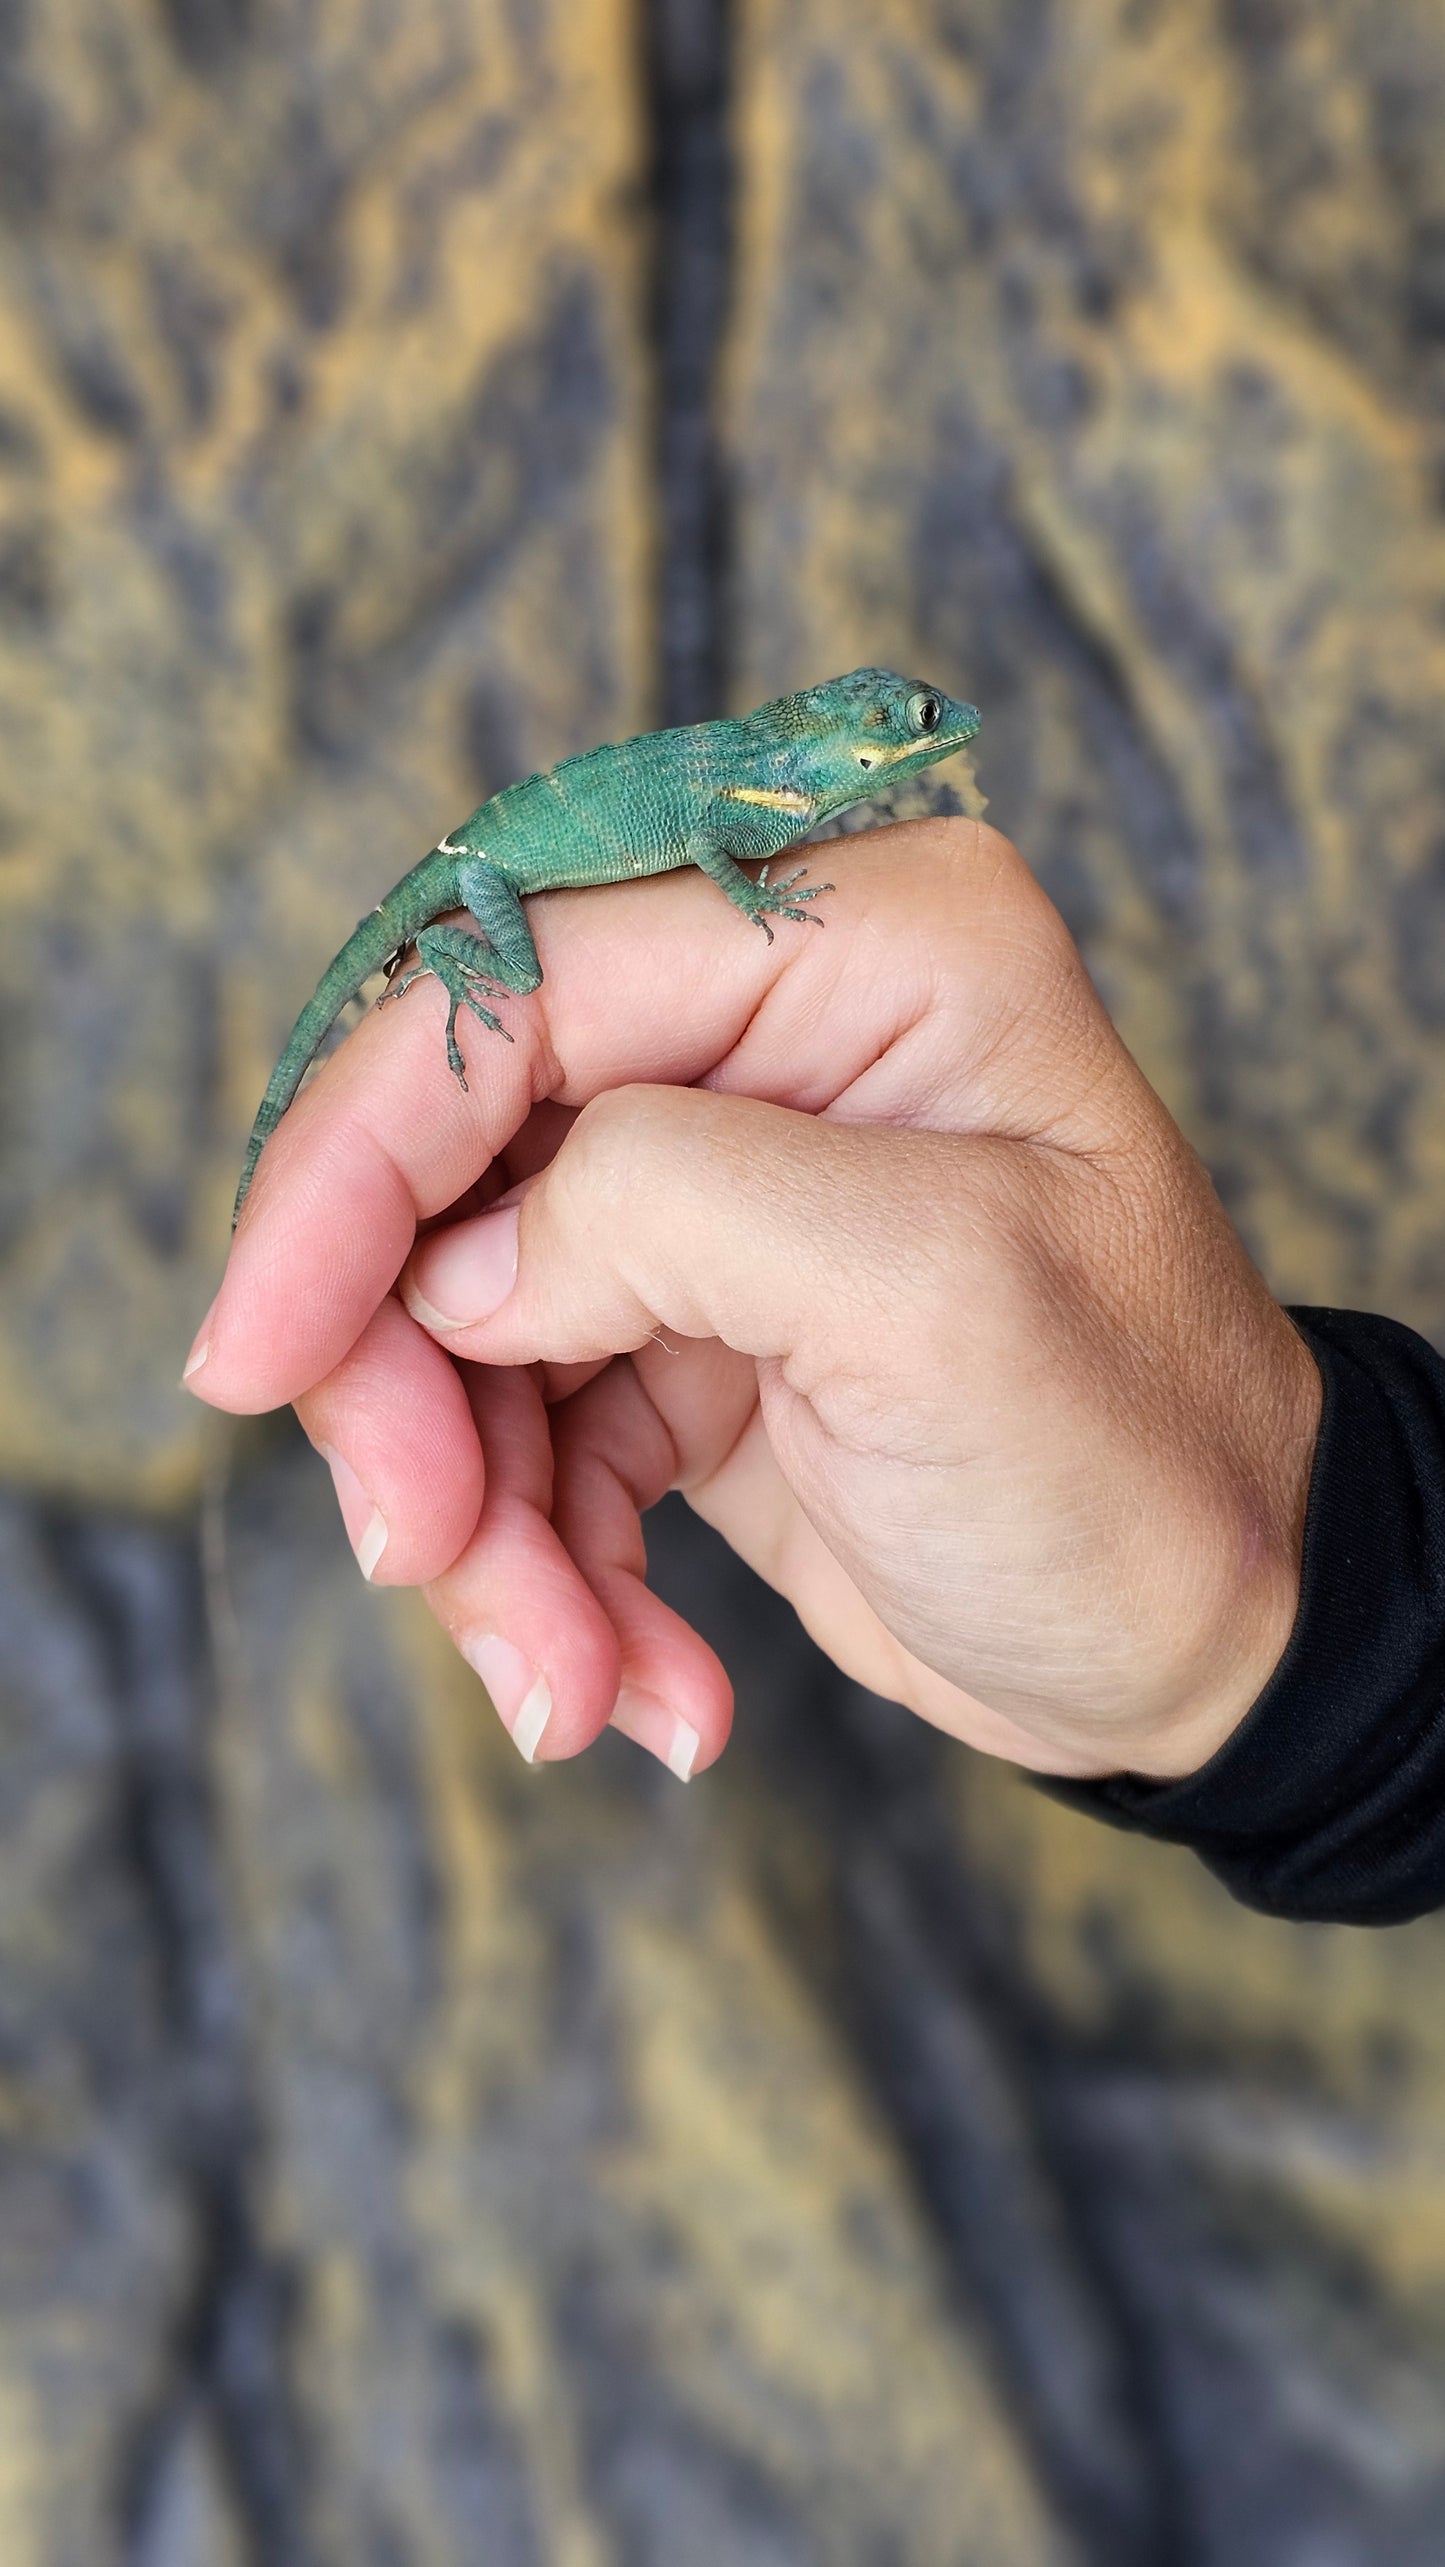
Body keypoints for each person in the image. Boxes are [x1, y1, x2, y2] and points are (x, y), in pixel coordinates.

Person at [183, 817, 1445, 1925]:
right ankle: (450, 966)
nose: (920, 736)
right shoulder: (738, 792)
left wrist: (1278, 1650)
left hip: (1316, 1732)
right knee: (508, 979)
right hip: (481, 872)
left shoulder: (757, 788)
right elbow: (720, 863)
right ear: (840, 736)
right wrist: (1307, 1652)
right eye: (894, 722)